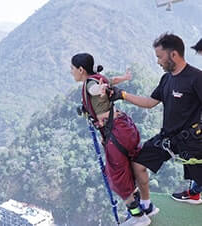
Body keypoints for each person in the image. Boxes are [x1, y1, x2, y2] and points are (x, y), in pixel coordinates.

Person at [110, 33, 202, 205]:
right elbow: (150, 102)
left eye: (160, 57)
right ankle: (146, 205)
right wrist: (122, 95)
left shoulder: (197, 78)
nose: (158, 61)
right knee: (137, 164)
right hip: (167, 138)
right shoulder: (166, 79)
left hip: (192, 142)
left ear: (173, 54)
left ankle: (195, 193)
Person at [71, 53, 158, 226]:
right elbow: (112, 81)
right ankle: (147, 206)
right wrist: (124, 78)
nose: (71, 72)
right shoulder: (99, 78)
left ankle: (138, 216)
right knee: (132, 168)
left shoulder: (91, 83)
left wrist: (99, 91)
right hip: (125, 128)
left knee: (117, 176)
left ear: (81, 69)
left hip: (115, 133)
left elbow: (94, 90)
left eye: (72, 69)